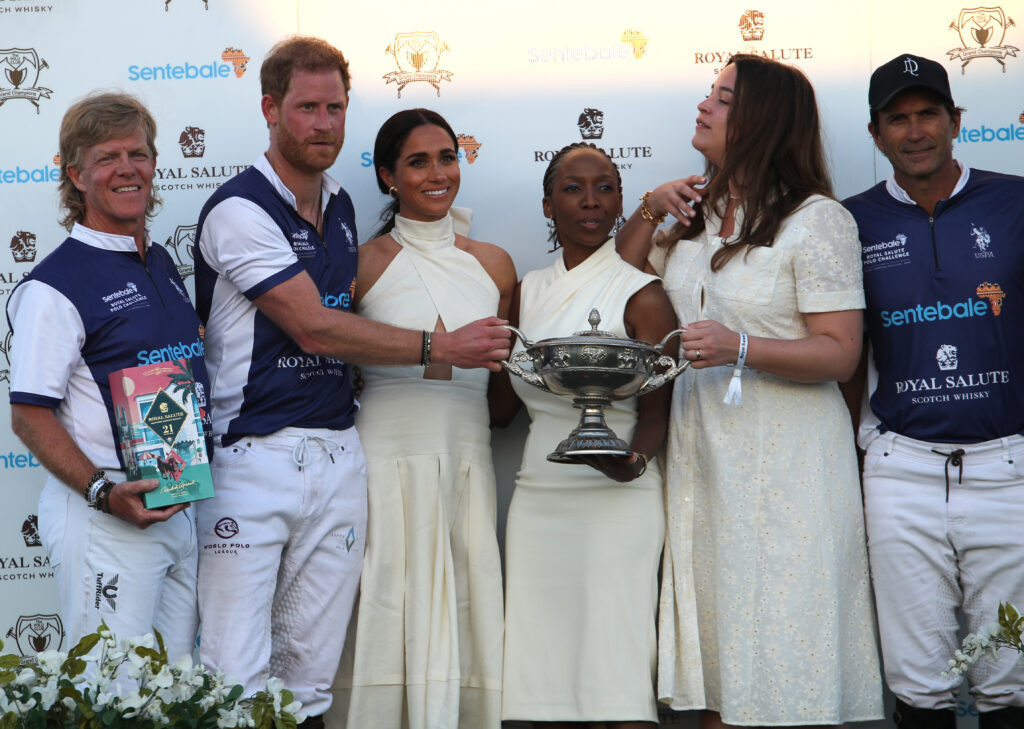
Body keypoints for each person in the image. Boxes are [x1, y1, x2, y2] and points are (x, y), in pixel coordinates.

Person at [192, 37, 510, 729]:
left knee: (308, 681)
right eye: (307, 107)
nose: (324, 123)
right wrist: (439, 346)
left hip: (339, 455)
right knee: (233, 677)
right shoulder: (237, 208)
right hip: (252, 456)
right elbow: (311, 326)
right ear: (271, 108)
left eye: (335, 107)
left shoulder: (337, 203)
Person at [616, 54, 883, 728]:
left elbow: (842, 351)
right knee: (725, 674)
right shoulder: (694, 216)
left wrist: (740, 346)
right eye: (710, 92)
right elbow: (610, 282)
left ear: (763, 118)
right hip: (706, 465)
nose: (704, 106)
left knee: (781, 668)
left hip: (789, 470)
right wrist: (651, 207)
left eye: (724, 98)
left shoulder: (817, 219)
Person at [841, 53, 1024, 729]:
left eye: (928, 115)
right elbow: (841, 350)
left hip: (1009, 466)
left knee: (1011, 674)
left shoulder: (1014, 200)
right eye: (898, 119)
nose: (915, 132)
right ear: (875, 132)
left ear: (956, 121)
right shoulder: (848, 221)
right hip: (903, 470)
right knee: (919, 685)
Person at [327, 109, 516, 729]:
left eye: (447, 157)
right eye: (418, 161)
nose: (438, 173)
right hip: (383, 454)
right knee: (386, 595)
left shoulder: (495, 264)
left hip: (467, 453)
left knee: (464, 593)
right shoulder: (361, 263)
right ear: (387, 176)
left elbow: (505, 389)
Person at [6, 92, 209, 660]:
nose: (128, 168)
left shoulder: (161, 260)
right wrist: (103, 492)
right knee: (111, 694)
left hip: (177, 500)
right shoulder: (54, 285)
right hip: (107, 512)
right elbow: (28, 415)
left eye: (138, 154)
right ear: (76, 174)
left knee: (179, 693)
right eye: (107, 157)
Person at [495, 142, 677, 728]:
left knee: (616, 671)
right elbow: (502, 407)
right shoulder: (524, 291)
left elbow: (657, 413)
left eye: (606, 187)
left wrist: (634, 462)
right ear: (548, 204)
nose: (591, 201)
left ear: (622, 200)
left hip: (620, 497)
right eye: (573, 188)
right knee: (544, 677)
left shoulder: (643, 292)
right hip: (539, 495)